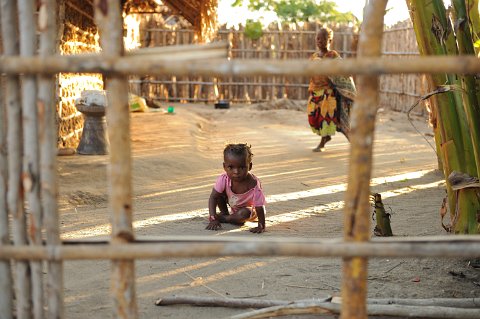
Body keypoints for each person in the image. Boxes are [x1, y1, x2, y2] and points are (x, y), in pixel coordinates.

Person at [308, 27, 356, 152]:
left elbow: (343, 71)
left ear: (329, 40)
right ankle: (325, 139)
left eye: (323, 38)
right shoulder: (313, 57)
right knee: (317, 119)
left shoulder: (333, 56)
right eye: (317, 38)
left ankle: (354, 144)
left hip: (328, 94)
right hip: (316, 92)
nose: (319, 41)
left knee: (334, 120)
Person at [206, 143, 266, 233]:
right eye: (231, 167)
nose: (236, 172)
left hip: (249, 211)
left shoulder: (254, 185)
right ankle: (225, 213)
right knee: (218, 194)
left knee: (243, 214)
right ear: (224, 167)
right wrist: (213, 218)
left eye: (241, 167)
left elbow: (259, 207)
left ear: (249, 166)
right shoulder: (224, 179)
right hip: (234, 205)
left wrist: (261, 225)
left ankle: (225, 218)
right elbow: (213, 197)